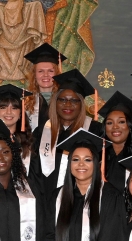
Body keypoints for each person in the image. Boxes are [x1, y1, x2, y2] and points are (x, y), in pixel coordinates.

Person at [31, 69, 104, 197]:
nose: (68, 105)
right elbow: (33, 171)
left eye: (74, 100)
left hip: (82, 200)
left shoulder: (95, 130)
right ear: (55, 102)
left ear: (81, 104)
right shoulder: (41, 131)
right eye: (62, 100)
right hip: (45, 199)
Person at [0, 84, 36, 183]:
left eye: (14, 108)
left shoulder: (30, 143)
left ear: (20, 113)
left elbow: (35, 178)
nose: (9, 112)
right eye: (3, 107)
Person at [98, 91, 132, 191]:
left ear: (130, 126)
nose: (115, 127)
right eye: (109, 123)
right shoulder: (97, 156)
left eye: (121, 122)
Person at [23, 43, 65, 131]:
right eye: (40, 71)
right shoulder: (26, 102)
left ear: (57, 74)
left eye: (50, 71)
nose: (45, 75)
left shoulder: (65, 100)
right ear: (34, 75)